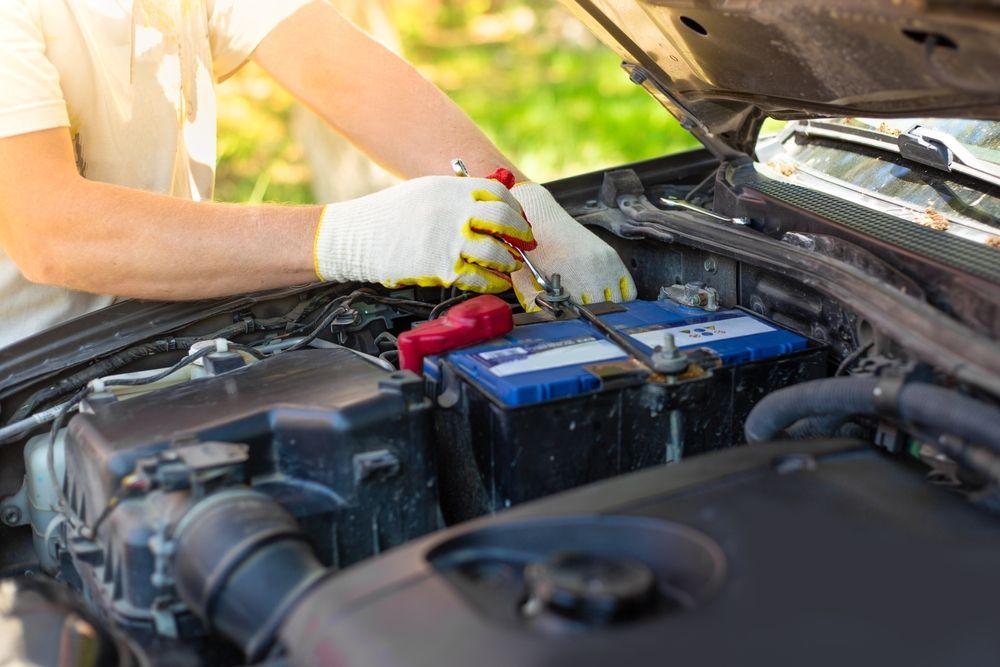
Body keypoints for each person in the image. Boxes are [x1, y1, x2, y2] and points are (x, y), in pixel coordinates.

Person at [0, 0, 637, 349]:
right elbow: (51, 232)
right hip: (28, 370)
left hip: (158, 324)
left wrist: (523, 201)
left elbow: (333, 63)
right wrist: (346, 237)